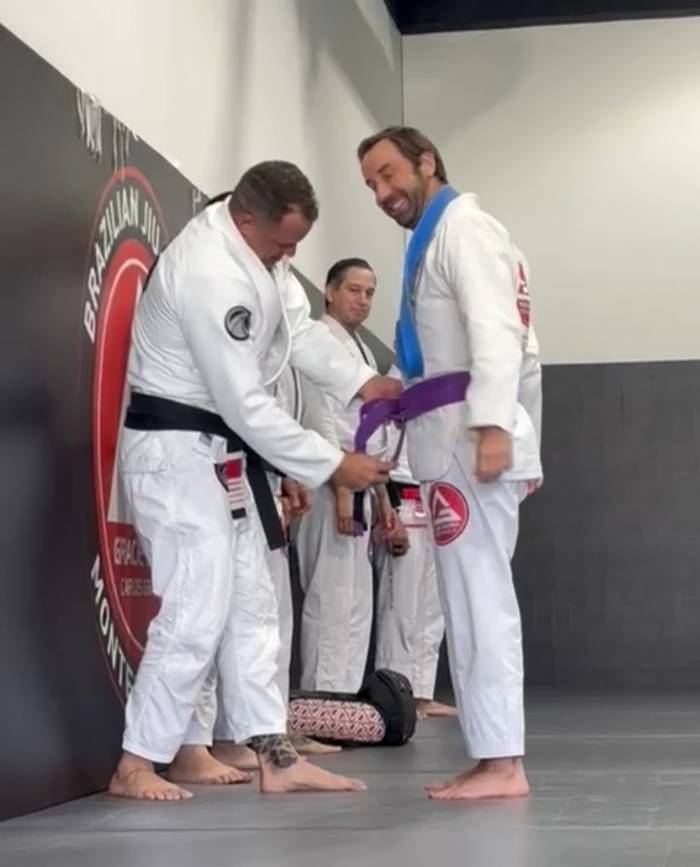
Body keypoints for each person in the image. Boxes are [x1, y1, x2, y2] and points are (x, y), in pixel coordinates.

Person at [108, 160, 400, 801]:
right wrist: (329, 462)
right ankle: (135, 762)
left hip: (223, 456)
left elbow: (299, 335)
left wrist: (360, 381)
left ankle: (275, 754)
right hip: (177, 453)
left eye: (296, 245)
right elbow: (242, 402)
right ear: (245, 221)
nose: (288, 257)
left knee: (252, 606)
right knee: (195, 607)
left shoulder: (263, 259)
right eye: (280, 243)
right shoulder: (209, 270)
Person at [357, 127, 543, 800]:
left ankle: (503, 763)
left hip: (469, 435)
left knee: (479, 598)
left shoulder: (464, 229)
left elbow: (501, 333)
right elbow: (495, 349)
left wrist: (496, 425)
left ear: (427, 162)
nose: (382, 192)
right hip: (453, 432)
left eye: (388, 174)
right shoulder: (437, 238)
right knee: (466, 599)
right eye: (371, 184)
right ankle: (491, 753)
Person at [295, 259, 396, 693]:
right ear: (330, 291)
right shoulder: (318, 340)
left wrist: (382, 498)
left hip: (361, 484)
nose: (363, 300)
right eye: (354, 290)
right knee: (331, 598)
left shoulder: (362, 351)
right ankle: (322, 701)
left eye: (369, 293)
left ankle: (348, 699)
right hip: (329, 482)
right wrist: (340, 489)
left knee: (356, 602)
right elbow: (319, 420)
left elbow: (372, 434)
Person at [374, 377, 456, 719]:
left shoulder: (446, 380)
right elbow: (380, 446)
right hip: (403, 495)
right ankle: (394, 693)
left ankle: (421, 691)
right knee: (401, 609)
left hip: (435, 496)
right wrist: (388, 505)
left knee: (432, 607)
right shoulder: (398, 381)